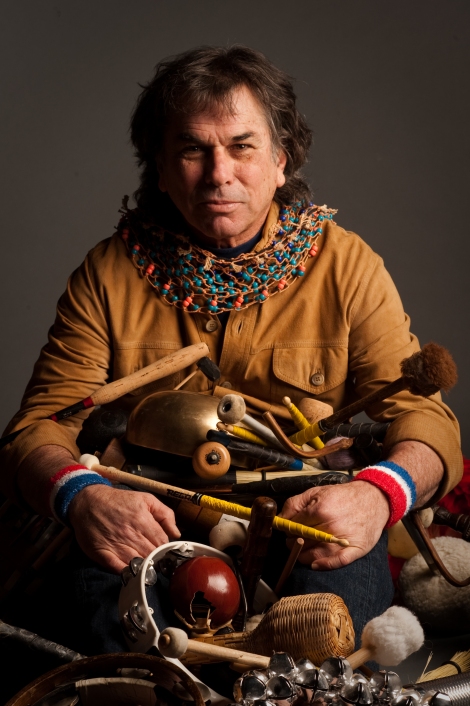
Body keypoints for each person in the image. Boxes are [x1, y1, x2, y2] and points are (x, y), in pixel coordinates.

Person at [0, 46, 462, 655]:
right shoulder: (109, 274)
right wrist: (81, 496)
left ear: (280, 159)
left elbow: (427, 420)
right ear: (160, 168)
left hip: (309, 518)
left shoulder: (347, 266)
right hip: (153, 519)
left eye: (242, 146)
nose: (219, 174)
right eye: (193, 150)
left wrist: (378, 494)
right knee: (123, 654)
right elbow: (38, 427)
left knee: (328, 650)